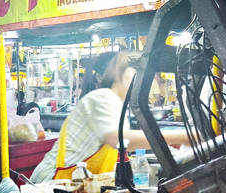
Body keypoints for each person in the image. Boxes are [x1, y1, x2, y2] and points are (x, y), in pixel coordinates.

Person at [29, 51, 190, 183]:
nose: (142, 80)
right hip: (50, 184)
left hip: (74, 185)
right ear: (117, 74)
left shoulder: (117, 105)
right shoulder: (104, 97)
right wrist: (187, 136)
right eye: (136, 72)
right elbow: (121, 140)